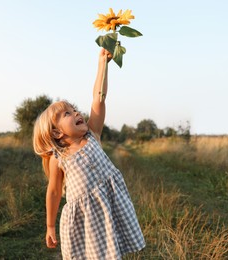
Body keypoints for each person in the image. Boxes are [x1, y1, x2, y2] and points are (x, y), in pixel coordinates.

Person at [33, 48, 145, 259]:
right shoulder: (59, 158)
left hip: (108, 209)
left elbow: (98, 99)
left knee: (112, 252)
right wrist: (49, 226)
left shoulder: (92, 134)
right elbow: (55, 191)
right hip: (84, 220)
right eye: (67, 113)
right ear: (56, 132)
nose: (76, 112)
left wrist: (103, 63)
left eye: (74, 109)